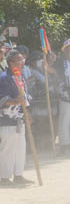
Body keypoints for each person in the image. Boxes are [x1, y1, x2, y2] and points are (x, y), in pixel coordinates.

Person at [0, 51, 32, 186]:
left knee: (20, 147)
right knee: (8, 149)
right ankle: (4, 177)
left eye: (23, 59)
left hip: (20, 118)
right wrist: (14, 101)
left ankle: (18, 174)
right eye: (19, 60)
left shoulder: (21, 77)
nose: (22, 62)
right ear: (11, 63)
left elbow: (26, 97)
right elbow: (2, 98)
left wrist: (27, 113)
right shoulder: (3, 78)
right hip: (7, 119)